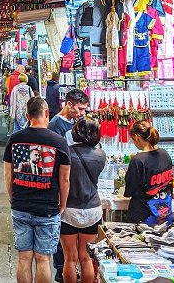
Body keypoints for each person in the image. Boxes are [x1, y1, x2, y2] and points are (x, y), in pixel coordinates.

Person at [3, 97, 71, 283]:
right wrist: (62, 204)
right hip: (48, 209)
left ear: (27, 115)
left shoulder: (15, 139)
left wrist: (13, 198)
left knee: (24, 258)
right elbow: (64, 179)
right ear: (47, 114)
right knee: (43, 259)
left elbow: (8, 174)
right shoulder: (59, 142)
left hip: (21, 206)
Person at [48, 88, 89, 281]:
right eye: (80, 108)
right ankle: (60, 270)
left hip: (74, 183)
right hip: (61, 185)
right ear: (69, 104)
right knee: (61, 231)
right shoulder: (56, 125)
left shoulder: (75, 122)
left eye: (84, 110)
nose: (82, 113)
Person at [61, 119, 106, 283]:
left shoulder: (67, 152)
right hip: (92, 209)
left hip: (69, 210)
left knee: (70, 258)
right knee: (86, 257)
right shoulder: (101, 155)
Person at [124, 121, 174, 226]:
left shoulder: (138, 160)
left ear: (136, 137)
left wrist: (132, 162)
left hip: (142, 216)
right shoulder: (165, 154)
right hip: (164, 212)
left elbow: (129, 190)